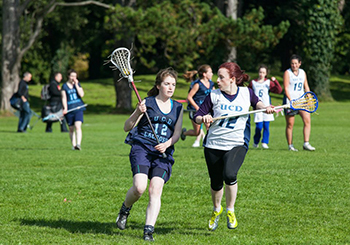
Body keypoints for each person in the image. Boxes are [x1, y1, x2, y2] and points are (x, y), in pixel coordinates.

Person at [193, 62, 275, 231]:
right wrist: (204, 118)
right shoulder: (213, 95)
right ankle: (217, 209)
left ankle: (230, 209)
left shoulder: (246, 93)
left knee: (229, 174)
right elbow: (197, 116)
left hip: (237, 143)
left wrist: (265, 108)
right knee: (216, 183)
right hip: (213, 144)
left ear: (232, 79)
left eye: (221, 77)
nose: (217, 80)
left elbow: (257, 104)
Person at [115, 68, 183, 241]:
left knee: (155, 189)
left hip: (163, 154)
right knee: (139, 188)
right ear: (158, 85)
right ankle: (125, 208)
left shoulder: (177, 107)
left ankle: (148, 231)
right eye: (167, 84)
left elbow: (177, 133)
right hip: (142, 149)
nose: (170, 88)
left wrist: (167, 144)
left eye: (173, 85)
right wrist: (138, 112)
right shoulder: (147, 103)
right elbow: (126, 127)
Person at [283, 54, 315, 151]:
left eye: (296, 63)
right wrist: (291, 100)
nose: (294, 65)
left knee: (307, 120)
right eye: (292, 63)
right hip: (291, 102)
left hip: (301, 101)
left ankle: (306, 143)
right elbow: (286, 88)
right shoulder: (287, 73)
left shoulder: (302, 73)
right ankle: (290, 145)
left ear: (300, 63)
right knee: (290, 124)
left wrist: (309, 99)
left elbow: (306, 86)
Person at [248, 65, 282, 149]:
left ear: (266, 74)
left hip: (267, 107)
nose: (261, 74)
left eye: (263, 72)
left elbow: (279, 90)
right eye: (260, 72)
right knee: (259, 127)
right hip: (258, 108)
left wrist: (276, 81)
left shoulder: (268, 82)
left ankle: (265, 142)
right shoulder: (253, 82)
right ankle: (256, 142)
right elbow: (248, 93)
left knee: (266, 126)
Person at [181, 65, 214, 147]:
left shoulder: (211, 84)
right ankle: (184, 133)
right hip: (195, 110)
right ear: (204, 74)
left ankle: (209, 145)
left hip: (206, 110)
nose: (212, 74)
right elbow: (189, 97)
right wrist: (197, 108)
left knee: (209, 126)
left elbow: (214, 95)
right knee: (197, 132)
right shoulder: (197, 84)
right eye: (210, 72)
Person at [61, 69, 85, 150]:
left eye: (75, 76)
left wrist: (77, 85)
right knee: (71, 128)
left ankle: (78, 144)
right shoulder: (64, 86)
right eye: (72, 76)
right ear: (68, 76)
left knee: (77, 126)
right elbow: (64, 98)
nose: (73, 78)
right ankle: (74, 145)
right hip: (70, 109)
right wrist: (65, 108)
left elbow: (81, 94)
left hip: (78, 108)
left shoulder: (77, 84)